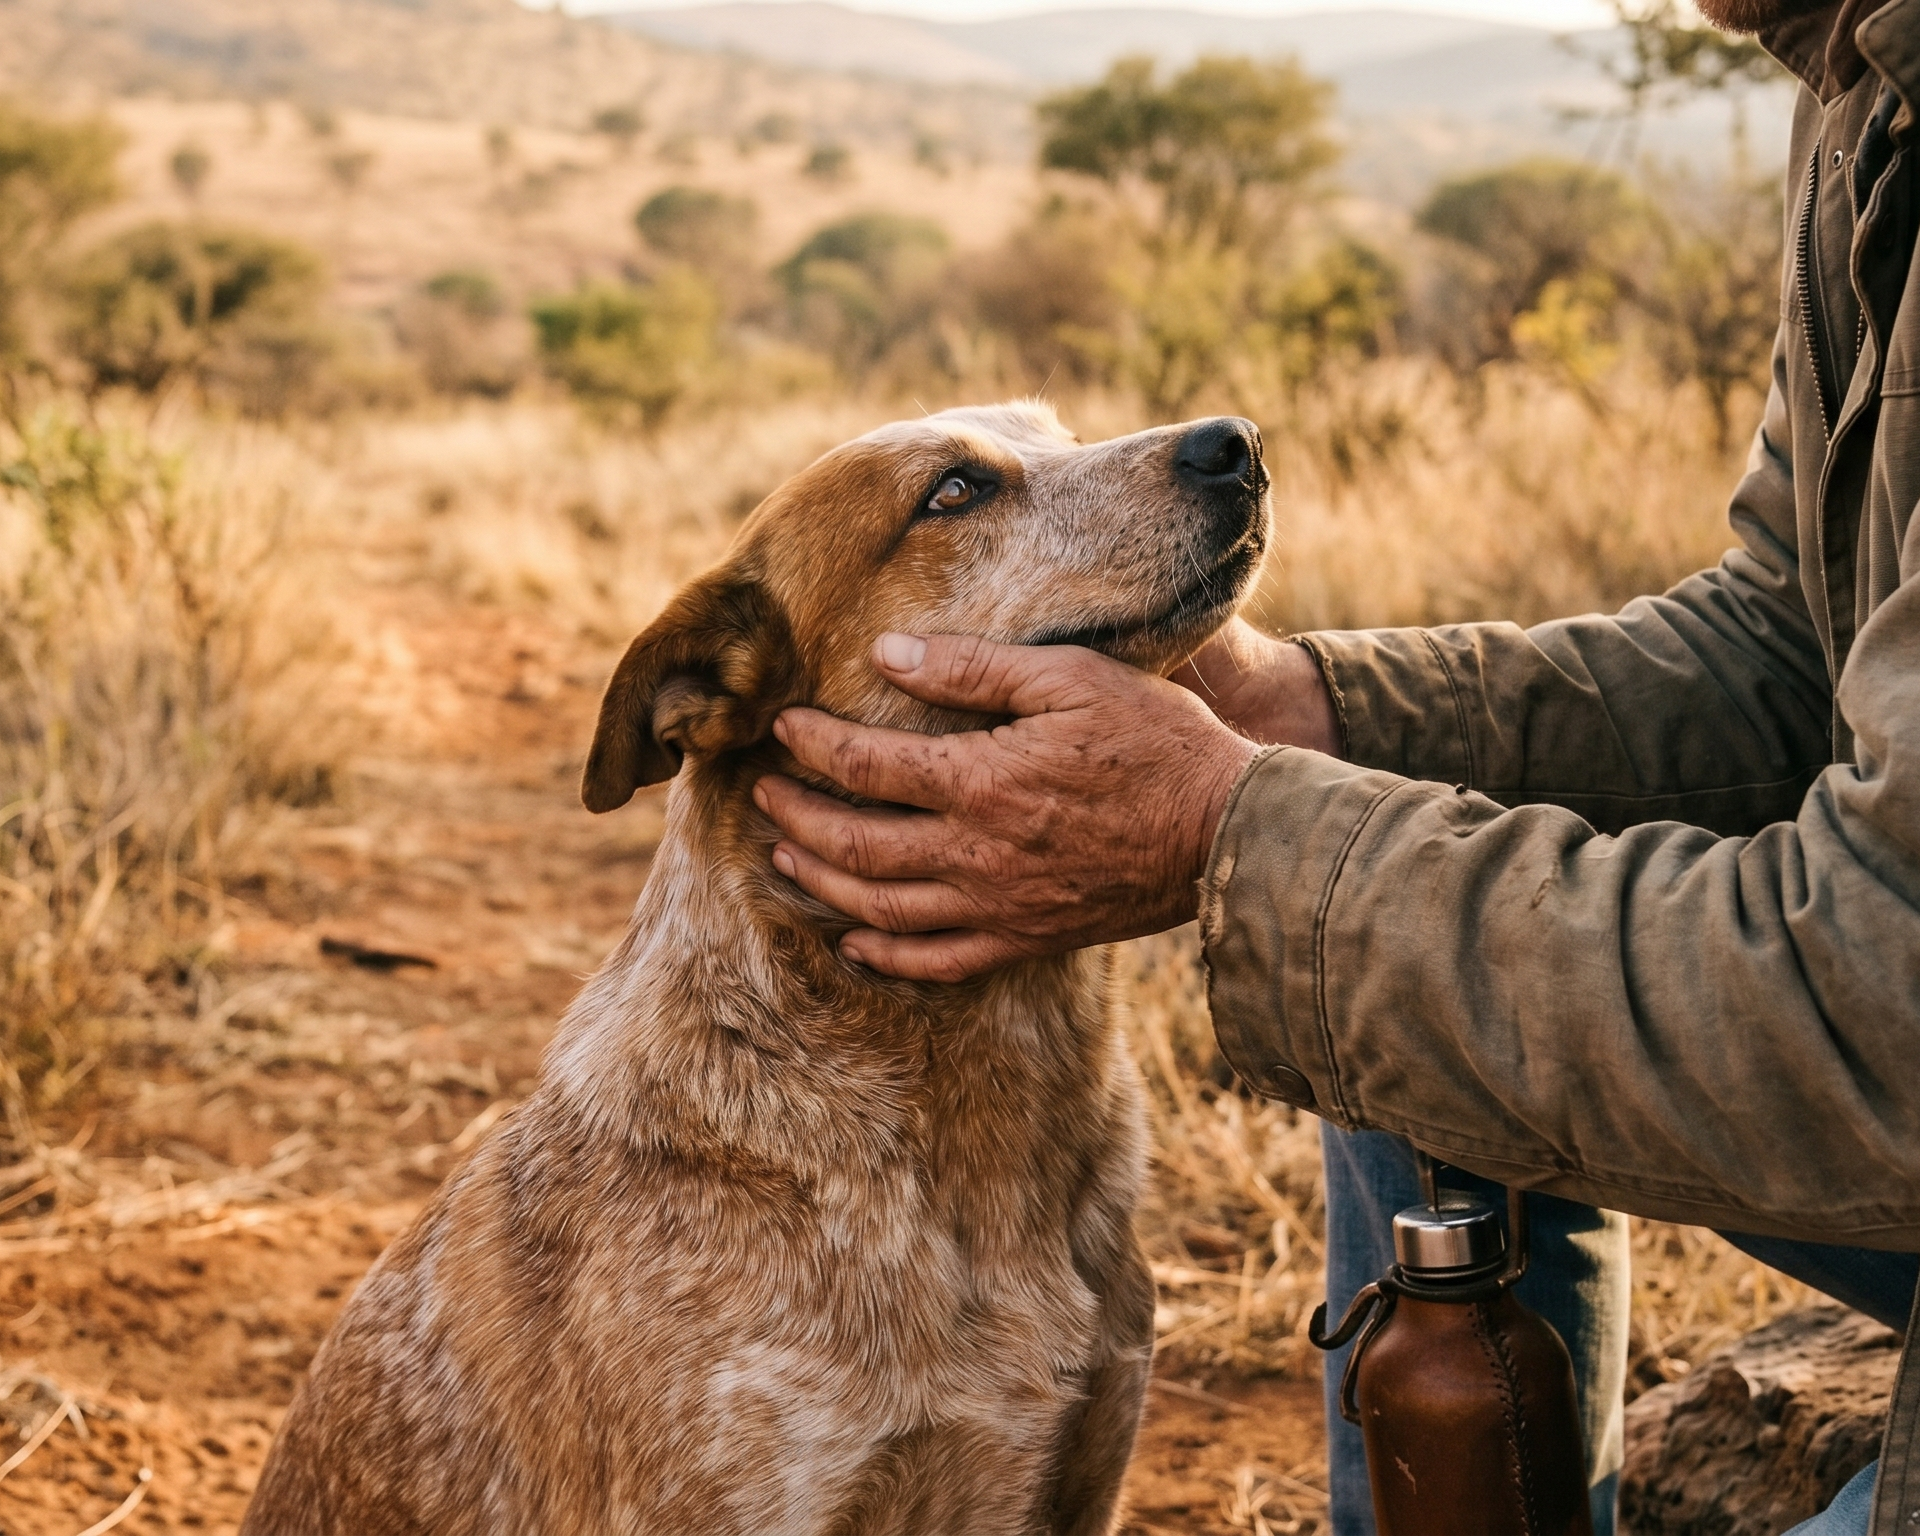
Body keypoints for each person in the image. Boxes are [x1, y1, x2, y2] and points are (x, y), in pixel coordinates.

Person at [751, 0, 1920, 1527]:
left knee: (1354, 906)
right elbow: (1787, 655)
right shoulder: (1862, 82)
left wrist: (1236, 839)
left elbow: (1892, 1008)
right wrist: (1315, 719)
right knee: (1379, 923)